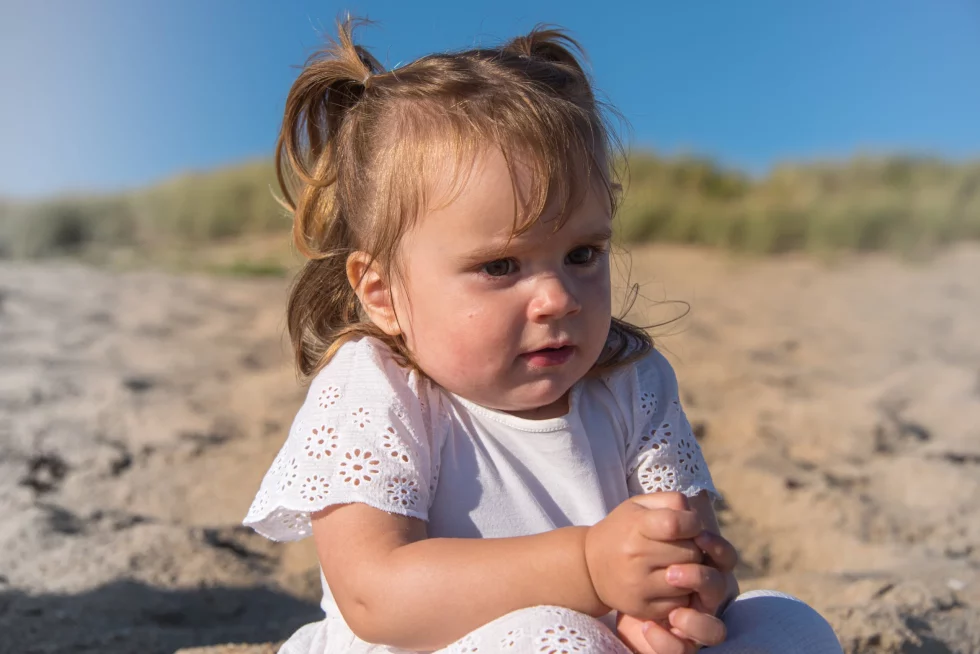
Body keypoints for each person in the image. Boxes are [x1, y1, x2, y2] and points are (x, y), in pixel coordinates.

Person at [243, 18, 843, 654]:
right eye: (501, 266)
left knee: (785, 624)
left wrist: (679, 602)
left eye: (582, 254)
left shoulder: (632, 380)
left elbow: (688, 547)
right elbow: (376, 597)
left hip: (602, 639)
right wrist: (587, 566)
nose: (558, 297)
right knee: (554, 637)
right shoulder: (375, 389)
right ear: (382, 291)